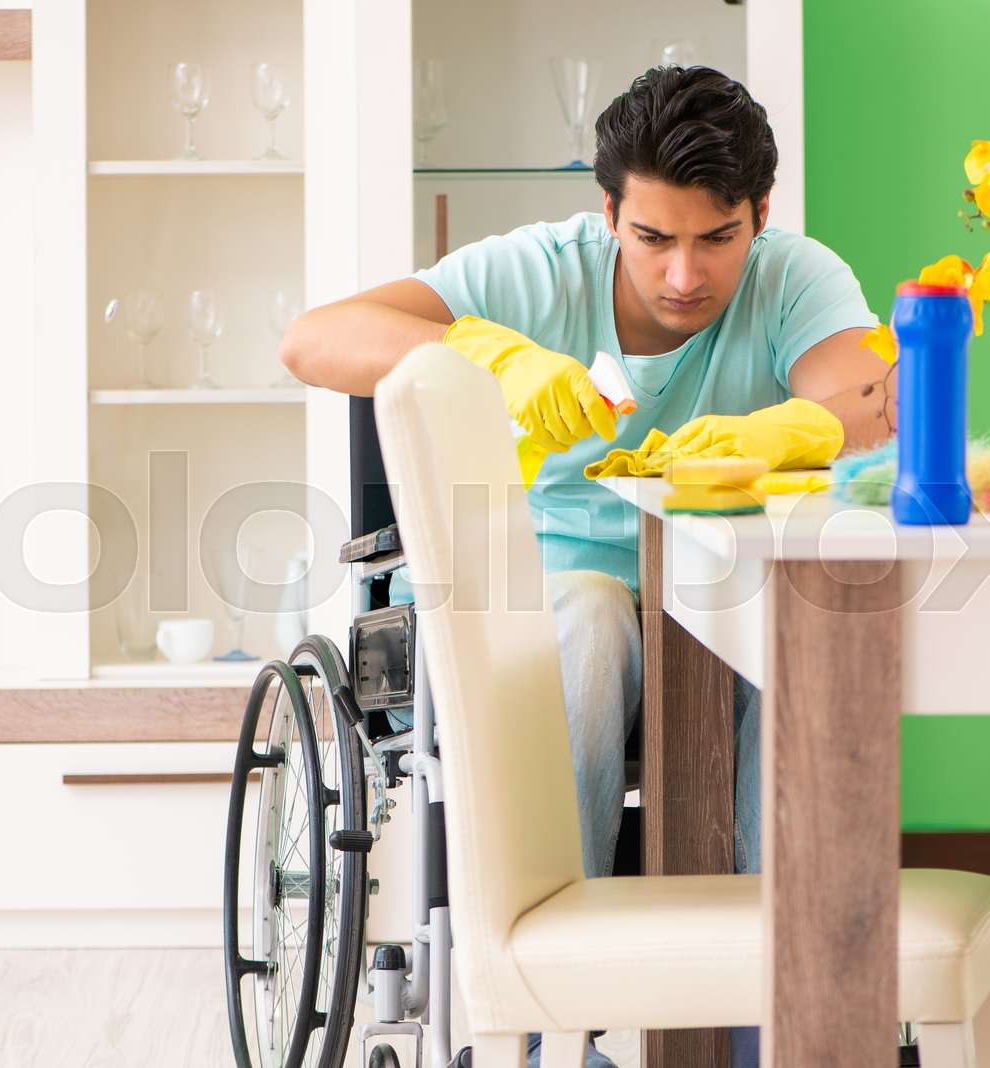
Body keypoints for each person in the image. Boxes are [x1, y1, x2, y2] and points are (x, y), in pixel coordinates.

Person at [280, 64, 895, 1068]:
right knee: (593, 616)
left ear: (761, 213)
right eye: (652, 238)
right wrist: (489, 356)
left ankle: (774, 1015)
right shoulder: (539, 272)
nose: (684, 275)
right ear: (608, 213)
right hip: (552, 600)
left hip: (712, 598)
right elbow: (313, 339)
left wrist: (790, 428)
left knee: (790, 637)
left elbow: (869, 399)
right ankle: (550, 1023)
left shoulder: (795, 276)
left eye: (717, 239)